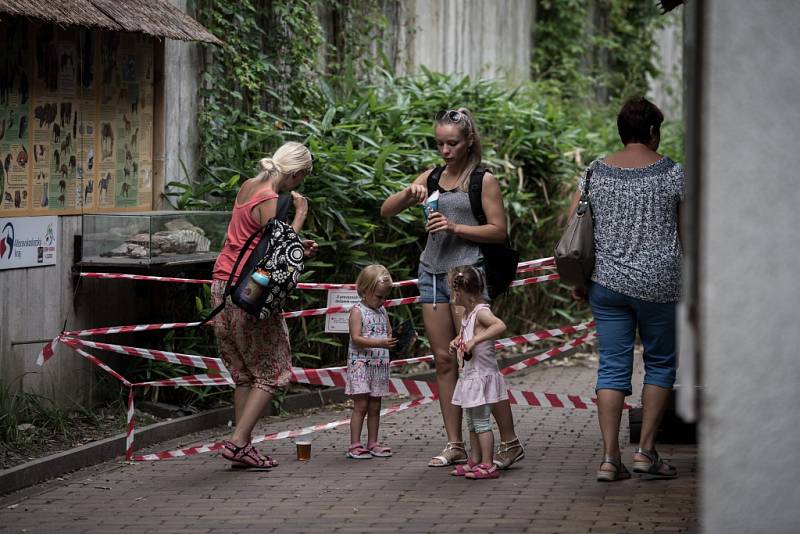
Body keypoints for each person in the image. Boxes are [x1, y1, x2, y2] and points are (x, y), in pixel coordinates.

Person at [380, 108, 524, 469]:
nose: (445, 150)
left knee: (475, 360)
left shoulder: (482, 180)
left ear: (468, 140)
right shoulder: (431, 177)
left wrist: (455, 228)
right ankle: (455, 443)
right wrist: (408, 194)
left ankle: (507, 442)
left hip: (467, 277)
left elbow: (498, 231)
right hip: (430, 273)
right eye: (439, 143)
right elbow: (386, 210)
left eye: (452, 143)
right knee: (444, 360)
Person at [568, 97, 683, 481]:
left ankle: (609, 458)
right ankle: (645, 453)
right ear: (653, 132)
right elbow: (689, 235)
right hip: (660, 285)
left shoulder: (593, 173)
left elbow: (575, 230)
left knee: (613, 368)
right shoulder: (673, 173)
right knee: (661, 363)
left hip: (607, 283)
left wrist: (579, 282)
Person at [211, 141, 317, 469]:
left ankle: (242, 447)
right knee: (273, 370)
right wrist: (300, 215)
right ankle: (238, 442)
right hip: (249, 292)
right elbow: (276, 260)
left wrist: (296, 244)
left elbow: (258, 240)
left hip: (221, 285)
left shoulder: (248, 186)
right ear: (297, 174)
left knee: (244, 375)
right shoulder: (271, 199)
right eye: (300, 180)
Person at [447, 266, 508, 480]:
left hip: (482, 376)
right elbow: (467, 334)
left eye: (454, 292)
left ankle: (488, 464)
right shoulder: (468, 314)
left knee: (481, 422)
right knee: (472, 422)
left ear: (463, 292)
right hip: (470, 376)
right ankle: (474, 460)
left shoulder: (482, 311)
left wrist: (475, 340)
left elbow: (499, 325)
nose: (453, 297)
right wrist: (458, 341)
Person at [345, 264, 397, 459]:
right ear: (365, 290)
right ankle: (355, 444)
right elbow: (356, 338)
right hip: (361, 366)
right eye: (378, 296)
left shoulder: (382, 311)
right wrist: (380, 342)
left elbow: (388, 331)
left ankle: (373, 442)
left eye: (385, 297)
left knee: (375, 405)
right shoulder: (357, 311)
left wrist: (397, 338)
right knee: (361, 405)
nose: (382, 301)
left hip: (379, 366)